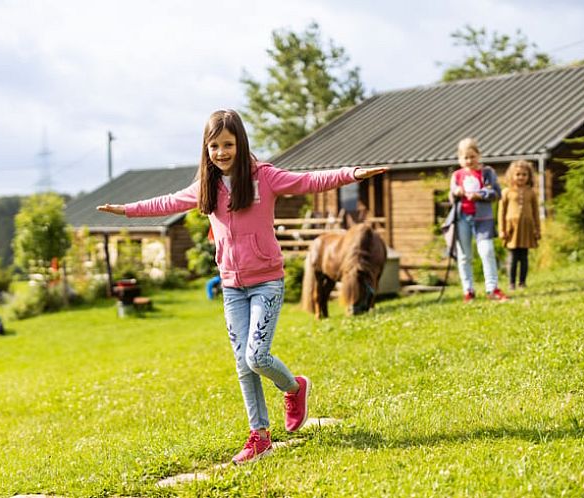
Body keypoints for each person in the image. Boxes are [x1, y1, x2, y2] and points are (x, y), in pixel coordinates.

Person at [97, 109, 386, 464]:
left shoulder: (264, 177)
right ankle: (259, 436)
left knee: (257, 356)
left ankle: (294, 388)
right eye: (214, 145)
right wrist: (125, 210)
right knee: (243, 364)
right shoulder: (208, 186)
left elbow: (309, 181)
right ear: (206, 148)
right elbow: (167, 202)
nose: (221, 152)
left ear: (240, 143)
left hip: (267, 282)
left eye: (228, 144)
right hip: (233, 287)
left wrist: (353, 174)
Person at [449, 137, 509, 302]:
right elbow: (451, 196)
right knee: (464, 256)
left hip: (483, 218)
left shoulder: (487, 172)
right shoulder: (456, 175)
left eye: (472, 156)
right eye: (465, 157)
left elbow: (496, 193)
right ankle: (468, 290)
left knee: (487, 251)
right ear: (460, 159)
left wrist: (480, 194)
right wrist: (456, 192)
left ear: (478, 155)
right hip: (462, 218)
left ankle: (492, 288)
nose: (469, 160)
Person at [498, 160, 541, 290]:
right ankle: (511, 283)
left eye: (524, 174)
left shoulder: (531, 193)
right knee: (513, 256)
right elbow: (501, 212)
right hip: (512, 229)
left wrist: (537, 229)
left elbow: (536, 213)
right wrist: (502, 229)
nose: (521, 177)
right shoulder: (506, 192)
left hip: (527, 228)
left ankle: (522, 282)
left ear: (529, 176)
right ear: (512, 175)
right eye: (518, 174)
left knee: (524, 256)